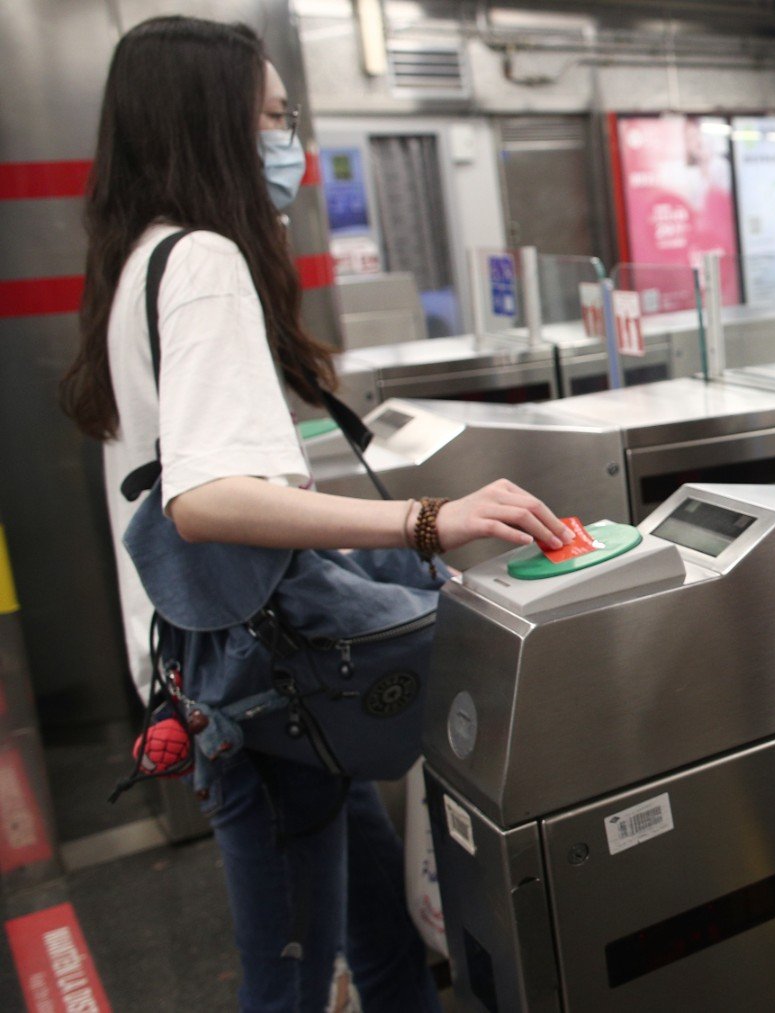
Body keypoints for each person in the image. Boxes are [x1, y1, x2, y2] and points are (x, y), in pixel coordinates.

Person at [60, 17, 573, 1011]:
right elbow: (206, 498)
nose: (289, 146)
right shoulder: (204, 259)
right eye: (274, 120)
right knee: (287, 978)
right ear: (213, 127)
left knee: (378, 929)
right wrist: (426, 520)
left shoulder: (137, 263)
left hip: (225, 675)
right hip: (257, 687)